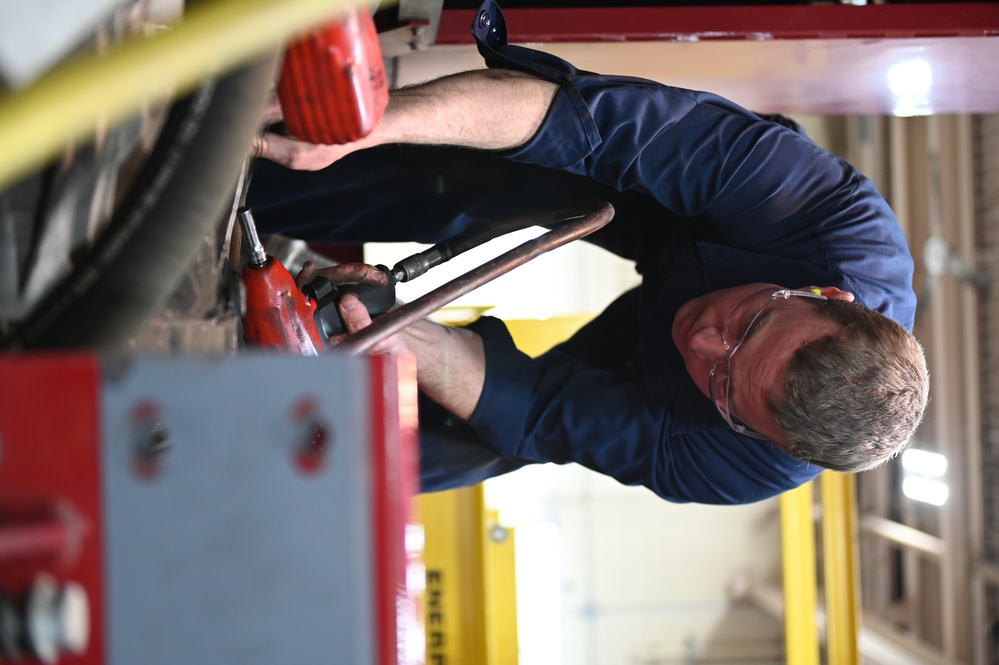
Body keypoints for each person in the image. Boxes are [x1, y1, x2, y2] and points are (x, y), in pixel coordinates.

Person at [246, 0, 929, 504]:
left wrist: (386, 326)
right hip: (664, 204)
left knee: (475, 439)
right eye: (747, 327)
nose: (700, 343)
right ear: (826, 296)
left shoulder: (741, 464)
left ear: (762, 437)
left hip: (641, 369)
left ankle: (231, 459)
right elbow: (597, 126)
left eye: (725, 389)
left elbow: (544, 410)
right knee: (466, 174)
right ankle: (246, 171)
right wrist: (366, 129)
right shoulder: (823, 216)